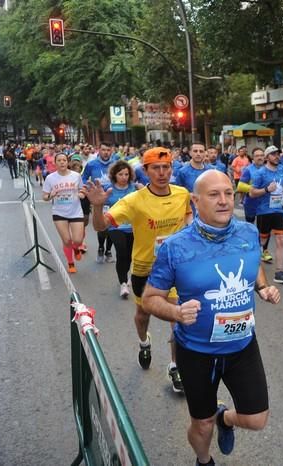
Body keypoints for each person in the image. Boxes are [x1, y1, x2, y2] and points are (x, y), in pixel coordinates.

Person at [142, 170, 281, 466]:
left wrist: (262, 287)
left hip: (242, 346)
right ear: (195, 201)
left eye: (228, 193)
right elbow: (150, 298)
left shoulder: (248, 233)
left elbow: (253, 264)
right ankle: (204, 460)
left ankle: (225, 418)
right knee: (201, 425)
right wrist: (176, 312)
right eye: (213, 194)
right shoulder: (175, 247)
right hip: (196, 352)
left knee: (256, 419)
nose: (223, 201)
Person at [84, 147, 192, 393]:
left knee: (178, 319)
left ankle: (175, 367)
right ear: (145, 171)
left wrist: (189, 231)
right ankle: (144, 342)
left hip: (175, 268)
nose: (162, 173)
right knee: (143, 315)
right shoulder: (133, 201)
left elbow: (187, 216)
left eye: (166, 168)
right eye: (156, 168)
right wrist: (98, 207)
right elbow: (101, 226)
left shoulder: (182, 193)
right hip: (144, 268)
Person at [249, 145, 283, 284]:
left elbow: (282, 190)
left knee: (281, 240)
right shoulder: (260, 173)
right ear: (267, 157)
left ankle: (279, 272)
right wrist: (267, 189)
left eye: (278, 154)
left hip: (278, 210)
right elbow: (252, 193)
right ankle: (254, 267)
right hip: (264, 211)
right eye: (273, 154)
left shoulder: (282, 170)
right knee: (261, 242)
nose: (276, 156)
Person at [42, 153, 85, 274]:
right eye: (59, 160)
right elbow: (44, 196)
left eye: (64, 160)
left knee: (77, 240)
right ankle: (70, 263)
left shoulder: (76, 176)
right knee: (66, 240)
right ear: (55, 163)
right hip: (59, 213)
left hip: (75, 211)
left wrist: (82, 194)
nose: (62, 162)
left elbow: (82, 189)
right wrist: (51, 195)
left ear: (68, 162)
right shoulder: (50, 178)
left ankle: (76, 248)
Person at [103, 160, 141, 299]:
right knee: (121, 252)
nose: (124, 177)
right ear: (114, 175)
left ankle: (128, 275)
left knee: (131, 255)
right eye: (121, 174)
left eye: (126, 174)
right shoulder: (109, 189)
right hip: (115, 227)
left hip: (133, 227)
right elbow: (103, 208)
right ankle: (123, 283)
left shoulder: (135, 188)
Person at [81, 142, 119, 264]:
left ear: (111, 151)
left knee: (113, 227)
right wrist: (87, 187)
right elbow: (83, 178)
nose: (106, 152)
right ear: (99, 151)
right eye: (103, 150)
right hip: (99, 202)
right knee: (102, 228)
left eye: (108, 150)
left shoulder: (116, 164)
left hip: (114, 199)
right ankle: (101, 247)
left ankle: (108, 251)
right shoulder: (92, 164)